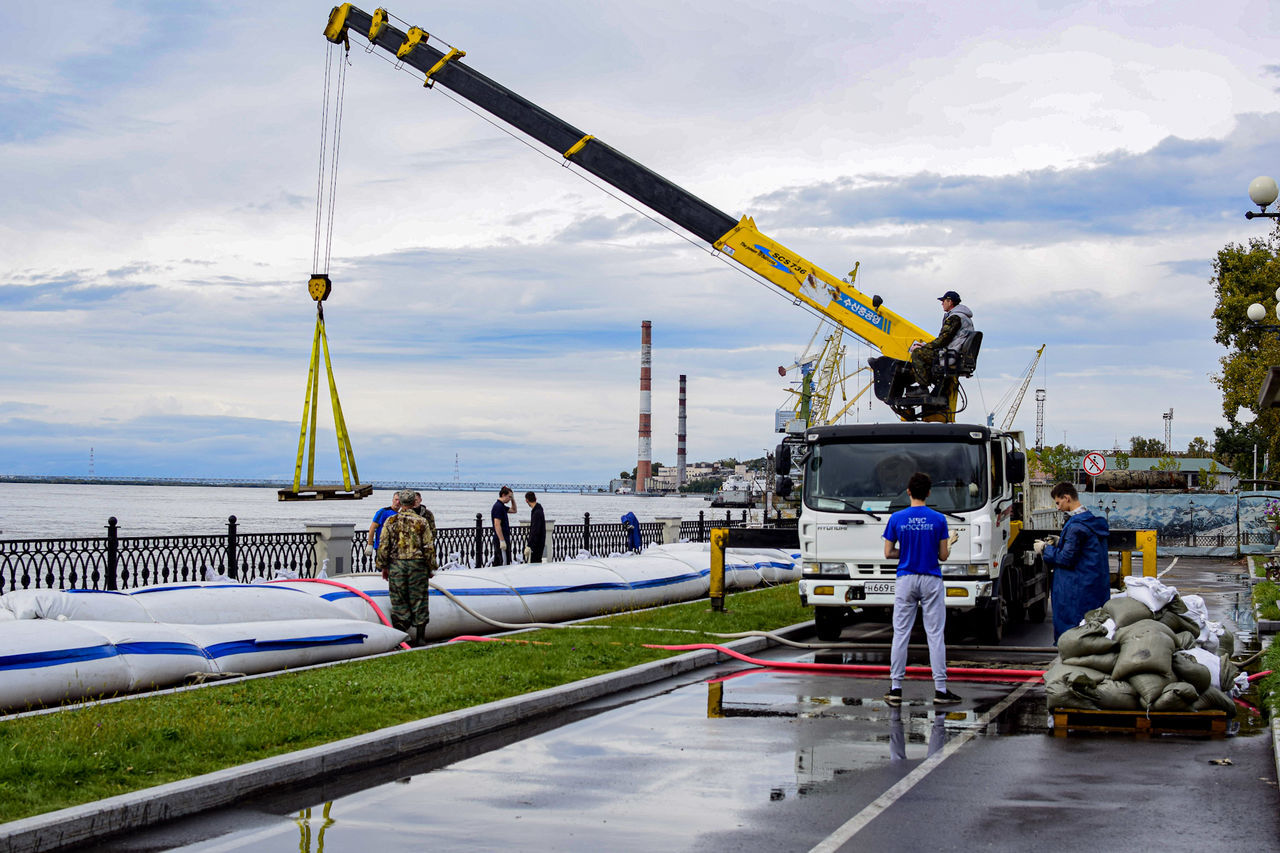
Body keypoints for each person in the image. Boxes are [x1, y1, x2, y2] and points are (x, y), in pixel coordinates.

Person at [882, 472, 962, 707]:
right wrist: (949, 543)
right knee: (935, 635)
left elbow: (888, 553)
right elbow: (943, 556)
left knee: (901, 633)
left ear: (908, 492)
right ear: (928, 492)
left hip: (906, 578)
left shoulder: (897, 518)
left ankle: (896, 688)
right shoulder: (938, 519)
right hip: (931, 579)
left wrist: (905, 553)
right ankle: (940, 688)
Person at [1036, 482, 1111, 642]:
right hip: (1093, 585)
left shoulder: (1076, 526)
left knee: (1072, 632)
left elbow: (1066, 558)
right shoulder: (1091, 521)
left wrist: (1044, 549)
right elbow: (1082, 550)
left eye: (1058, 502)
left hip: (1075, 589)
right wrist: (1059, 542)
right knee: (1092, 628)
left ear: (1067, 498)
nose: (1057, 507)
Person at [375, 488, 435, 646]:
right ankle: (421, 637)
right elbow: (429, 546)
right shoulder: (422, 522)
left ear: (400, 502)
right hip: (418, 565)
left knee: (398, 599)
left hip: (397, 565)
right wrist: (430, 567)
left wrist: (383, 566)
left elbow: (383, 546)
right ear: (415, 502)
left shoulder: (391, 521)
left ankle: (401, 637)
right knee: (420, 600)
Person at [909, 290, 975, 392]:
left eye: (943, 301)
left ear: (950, 302)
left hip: (951, 354)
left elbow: (943, 340)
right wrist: (926, 345)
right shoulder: (964, 317)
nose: (942, 303)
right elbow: (947, 339)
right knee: (926, 353)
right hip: (956, 353)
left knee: (918, 354)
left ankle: (922, 389)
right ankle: (940, 388)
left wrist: (924, 347)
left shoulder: (955, 317)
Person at [364, 491, 400, 559]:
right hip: (381, 546)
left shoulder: (400, 514)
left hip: (394, 547)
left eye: (400, 500)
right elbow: (372, 527)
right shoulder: (383, 511)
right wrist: (370, 544)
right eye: (396, 499)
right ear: (393, 500)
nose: (398, 502)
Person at [491, 486, 517, 565]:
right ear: (503, 495)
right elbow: (497, 524)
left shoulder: (502, 506)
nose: (509, 499)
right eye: (509, 496)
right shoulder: (498, 507)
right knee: (503, 563)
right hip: (500, 539)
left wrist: (513, 499)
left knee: (504, 561)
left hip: (504, 538)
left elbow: (514, 510)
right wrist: (502, 541)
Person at [525, 491, 546, 563]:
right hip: (540, 542)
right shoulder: (539, 509)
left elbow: (535, 531)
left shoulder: (536, 512)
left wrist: (529, 545)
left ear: (526, 500)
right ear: (535, 498)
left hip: (536, 544)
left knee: (534, 563)